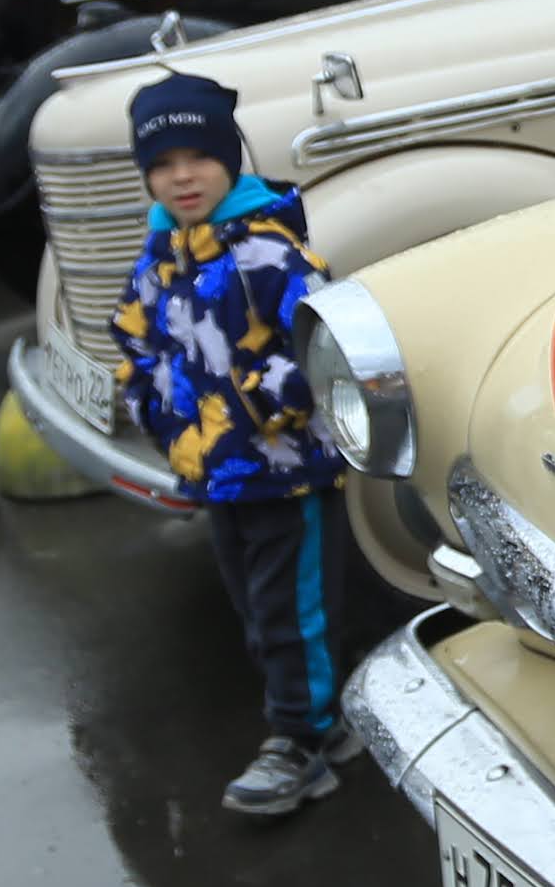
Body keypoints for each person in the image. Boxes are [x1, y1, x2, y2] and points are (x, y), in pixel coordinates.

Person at [107, 70, 382, 821]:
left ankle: (302, 741)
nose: (182, 176)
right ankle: (328, 716)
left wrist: (254, 406)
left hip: (283, 471)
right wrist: (157, 415)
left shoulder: (268, 253)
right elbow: (134, 337)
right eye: (163, 164)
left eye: (198, 157)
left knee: (293, 610)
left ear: (230, 159)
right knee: (260, 610)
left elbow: (324, 346)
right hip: (214, 473)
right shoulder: (162, 255)